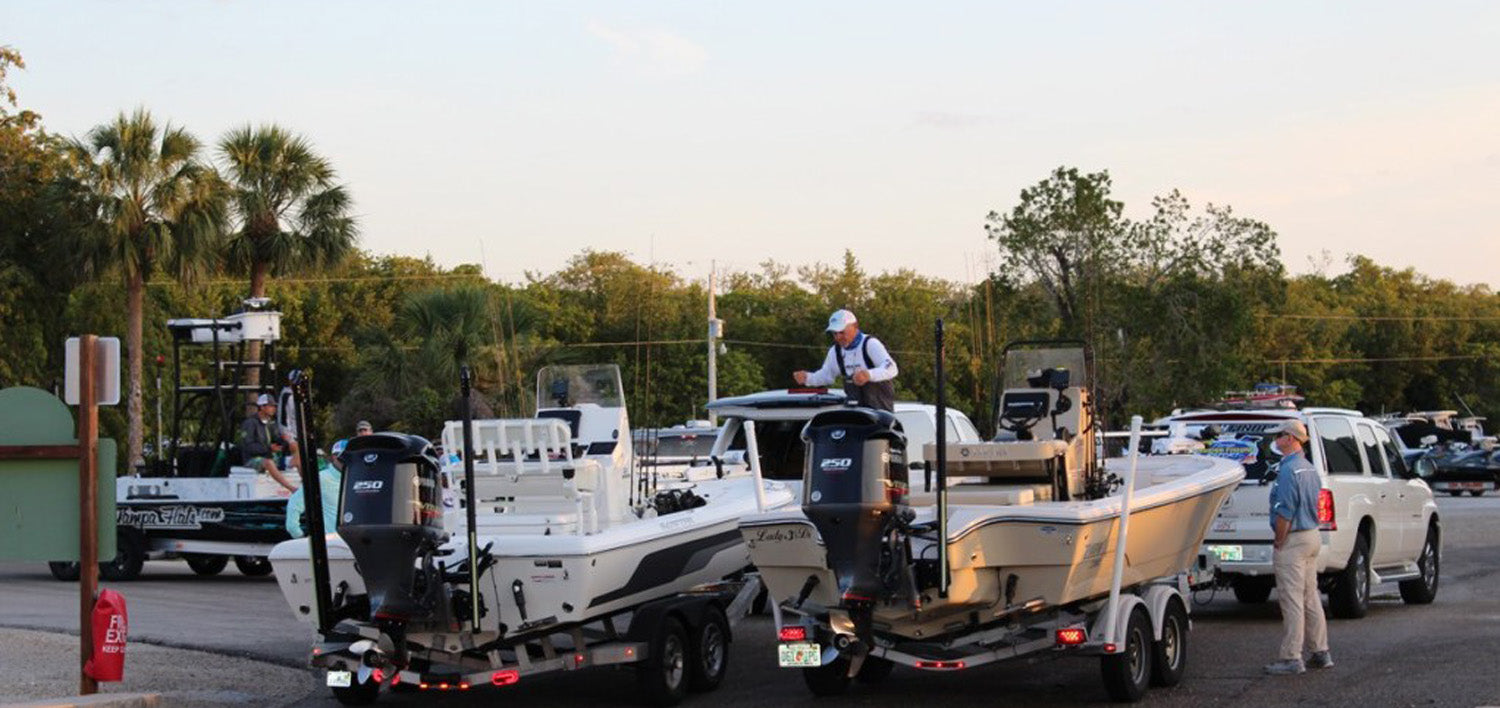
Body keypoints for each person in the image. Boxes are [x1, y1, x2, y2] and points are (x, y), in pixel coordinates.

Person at [1264, 419, 1332, 675]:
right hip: (1312, 535)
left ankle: (1292, 657)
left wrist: (1279, 539)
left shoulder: (1287, 470)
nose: (1276, 439)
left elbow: (1285, 510)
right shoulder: (1309, 468)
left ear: (1290, 438)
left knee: (1291, 598)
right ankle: (1320, 651)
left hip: (1293, 539)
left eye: (1279, 435)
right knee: (1310, 595)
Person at [793, 309, 899, 411]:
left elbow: (891, 368)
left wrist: (868, 375)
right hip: (855, 412)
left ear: (855, 327)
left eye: (842, 332)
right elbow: (826, 375)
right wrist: (808, 378)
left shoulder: (870, 344)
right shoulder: (836, 351)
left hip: (880, 414)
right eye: (834, 333)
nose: (838, 337)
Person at [285, 439, 346, 538]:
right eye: (342, 456)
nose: (346, 460)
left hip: (357, 544)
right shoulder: (320, 478)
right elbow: (294, 505)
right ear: (334, 457)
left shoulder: (357, 478)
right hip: (331, 545)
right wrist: (299, 536)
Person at [239, 393, 299, 493]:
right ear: (262, 407)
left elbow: (277, 439)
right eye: (270, 406)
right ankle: (291, 488)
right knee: (268, 462)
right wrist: (268, 448)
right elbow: (248, 446)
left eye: (274, 406)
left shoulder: (271, 423)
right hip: (252, 460)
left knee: (298, 456)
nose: (274, 408)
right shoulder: (250, 423)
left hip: (270, 456)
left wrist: (286, 442)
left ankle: (307, 486)